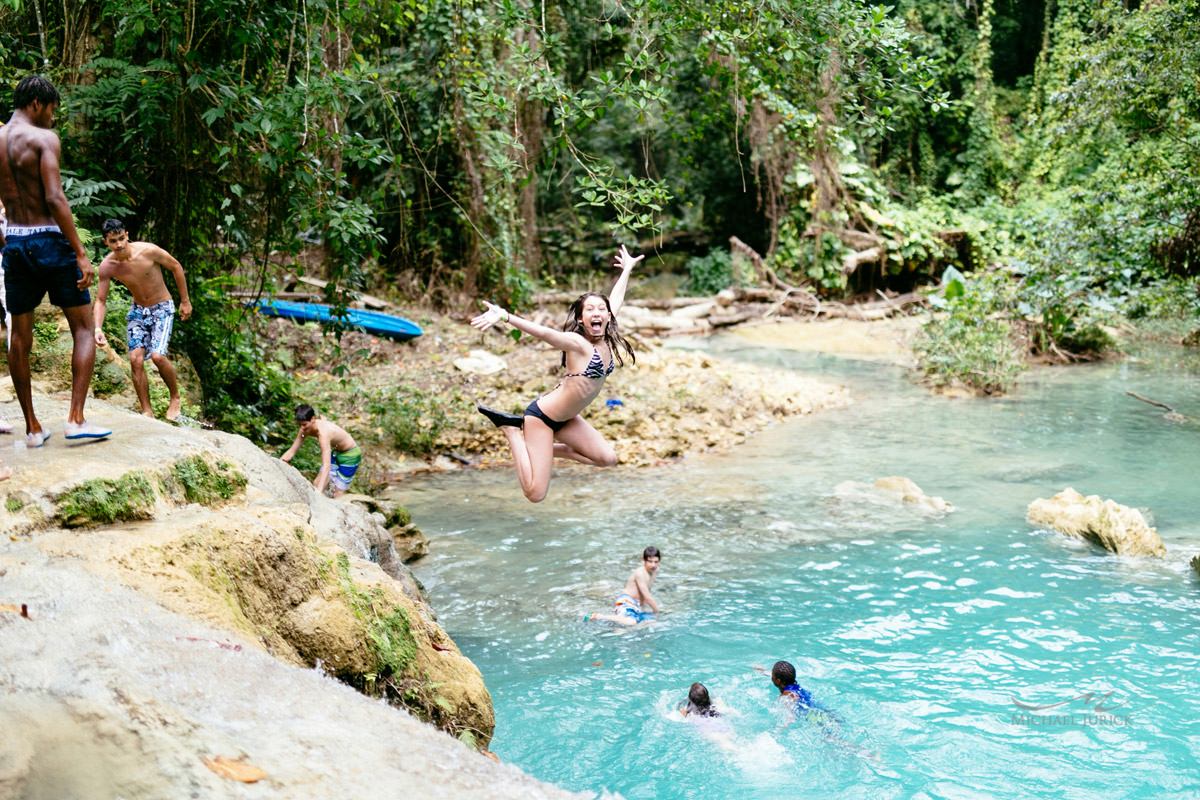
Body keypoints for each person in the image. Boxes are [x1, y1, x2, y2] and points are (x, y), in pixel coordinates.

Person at [471, 245, 643, 503]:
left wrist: (627, 269)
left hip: (568, 419)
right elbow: (547, 334)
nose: (597, 313)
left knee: (607, 459)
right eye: (590, 310)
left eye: (601, 309)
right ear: (582, 319)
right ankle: (511, 430)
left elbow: (616, 298)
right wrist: (506, 316)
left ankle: (543, 451)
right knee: (535, 494)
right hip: (542, 418)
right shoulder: (578, 344)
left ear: (608, 315)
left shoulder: (606, 334)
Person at [0, 75, 110, 445]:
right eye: (51, 109)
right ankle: (75, 420)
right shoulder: (43, 139)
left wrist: (6, 242)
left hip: (13, 241)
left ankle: (32, 428)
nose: (52, 118)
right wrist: (80, 252)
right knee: (82, 327)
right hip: (47, 238)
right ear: (36, 103)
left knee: (19, 335)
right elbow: (55, 198)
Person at [93, 219, 192, 420]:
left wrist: (185, 301)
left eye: (122, 238)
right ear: (106, 242)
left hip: (162, 308)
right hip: (138, 310)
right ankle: (147, 410)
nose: (119, 244)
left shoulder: (148, 251)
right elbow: (101, 300)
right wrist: (97, 328)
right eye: (113, 241)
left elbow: (175, 266)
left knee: (157, 356)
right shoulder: (107, 266)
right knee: (135, 359)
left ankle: (175, 398)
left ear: (127, 235)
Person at [280, 404, 362, 497]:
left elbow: (326, 465)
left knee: (337, 492)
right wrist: (278, 464)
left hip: (350, 455)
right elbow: (292, 451)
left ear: (313, 419)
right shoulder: (304, 429)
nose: (302, 428)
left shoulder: (323, 434)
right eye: (299, 425)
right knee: (316, 483)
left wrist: (318, 495)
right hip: (336, 452)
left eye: (304, 424)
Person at [585, 546, 661, 626]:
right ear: (643, 560)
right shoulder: (640, 573)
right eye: (650, 561)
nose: (653, 565)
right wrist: (657, 612)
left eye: (656, 562)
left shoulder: (655, 571)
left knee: (649, 623)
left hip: (636, 605)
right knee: (631, 622)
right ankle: (597, 616)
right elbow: (647, 597)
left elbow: (646, 591)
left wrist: (643, 607)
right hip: (626, 601)